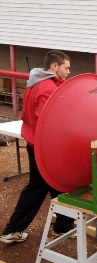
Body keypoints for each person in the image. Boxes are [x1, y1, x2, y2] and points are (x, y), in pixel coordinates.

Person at [1, 50, 75, 244]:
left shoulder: (37, 83)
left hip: (35, 142)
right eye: (66, 68)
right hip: (44, 147)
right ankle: (14, 229)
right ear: (54, 66)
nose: (69, 72)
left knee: (51, 185)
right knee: (47, 185)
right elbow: (47, 122)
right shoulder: (47, 89)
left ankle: (63, 225)